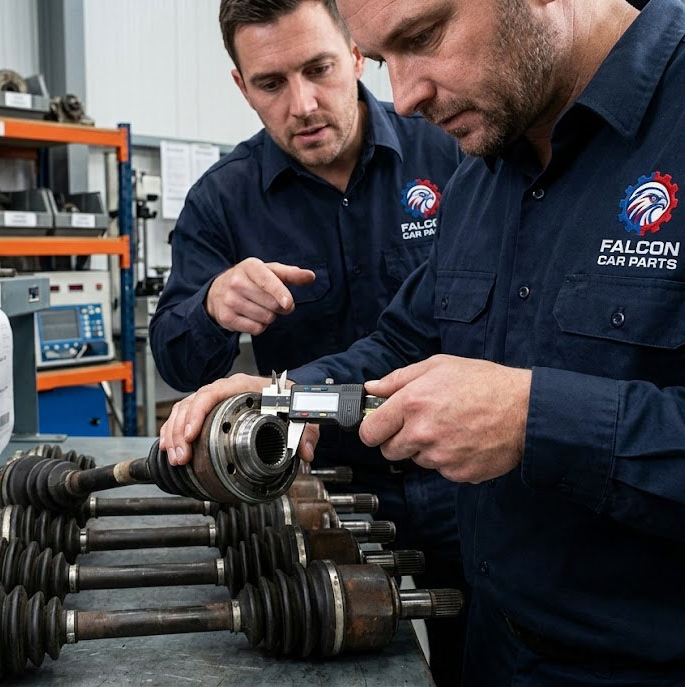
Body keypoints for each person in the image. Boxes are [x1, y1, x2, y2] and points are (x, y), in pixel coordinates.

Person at [158, 0, 685, 683]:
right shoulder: (482, 172)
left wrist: (536, 420)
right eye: (387, 60)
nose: (405, 96)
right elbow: (403, 342)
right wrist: (286, 396)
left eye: (425, 36)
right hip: (493, 649)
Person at [149, 0, 464, 681]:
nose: (303, 104)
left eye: (319, 69)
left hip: (464, 478)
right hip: (322, 493)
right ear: (241, 86)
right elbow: (175, 357)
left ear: (356, 55)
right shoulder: (222, 200)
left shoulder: (451, 152)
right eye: (271, 83)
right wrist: (211, 306)